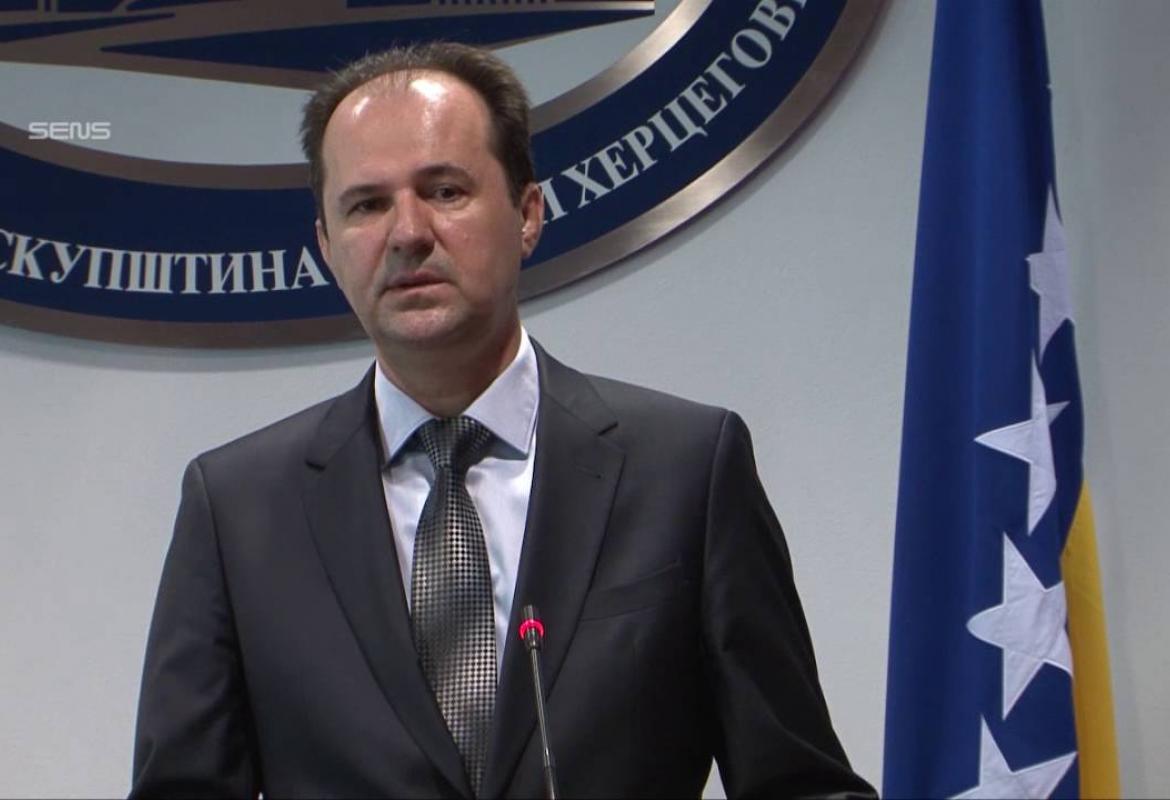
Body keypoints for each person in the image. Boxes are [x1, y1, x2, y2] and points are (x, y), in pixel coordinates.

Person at [130, 42, 875, 799]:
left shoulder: (685, 470)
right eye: (366, 205)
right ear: (327, 246)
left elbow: (801, 785)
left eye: (445, 190)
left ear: (526, 214)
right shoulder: (237, 510)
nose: (407, 232)